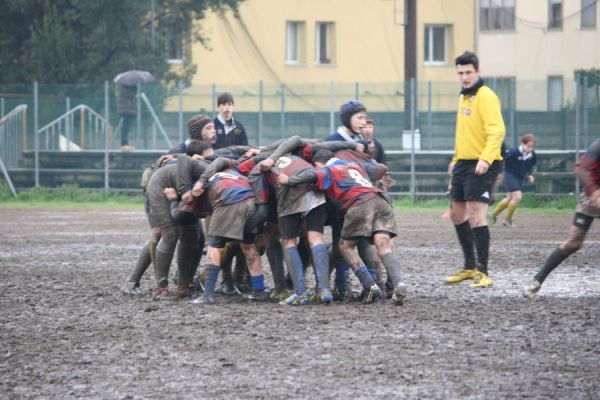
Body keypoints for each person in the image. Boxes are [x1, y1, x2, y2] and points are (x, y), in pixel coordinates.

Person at [278, 148, 408, 305]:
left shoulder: (327, 170)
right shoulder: (355, 165)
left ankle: (370, 285)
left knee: (345, 247)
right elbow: (381, 168)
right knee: (383, 245)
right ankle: (399, 283)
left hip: (359, 203)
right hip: (381, 200)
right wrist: (382, 173)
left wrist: (289, 180)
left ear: (318, 164)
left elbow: (311, 175)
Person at [445, 51, 505, 288]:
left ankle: (483, 271)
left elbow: (497, 131)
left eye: (468, 72)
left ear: (477, 72)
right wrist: (456, 157)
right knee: (456, 214)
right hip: (464, 162)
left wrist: (486, 159)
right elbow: (464, 133)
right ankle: (469, 267)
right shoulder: (463, 98)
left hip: (483, 162)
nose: (464, 76)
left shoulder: (486, 96)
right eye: (460, 73)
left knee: (475, 214)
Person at [523, 138, 600, 298]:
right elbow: (580, 169)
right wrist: (594, 191)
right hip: (591, 197)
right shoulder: (598, 145)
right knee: (573, 242)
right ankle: (536, 281)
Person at [490, 134, 537, 227]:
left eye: (532, 147)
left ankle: (492, 216)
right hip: (510, 175)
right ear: (522, 144)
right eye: (528, 146)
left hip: (518, 178)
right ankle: (507, 220)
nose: (530, 149)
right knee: (517, 197)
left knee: (509, 199)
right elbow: (504, 162)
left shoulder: (532, 155)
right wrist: (501, 175)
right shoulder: (514, 152)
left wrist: (530, 175)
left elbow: (530, 166)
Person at [116, 84, 137, 152]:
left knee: (126, 128)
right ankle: (124, 144)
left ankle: (125, 143)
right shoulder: (124, 88)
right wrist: (134, 90)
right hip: (126, 110)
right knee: (125, 128)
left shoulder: (123, 88)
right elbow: (129, 95)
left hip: (127, 109)